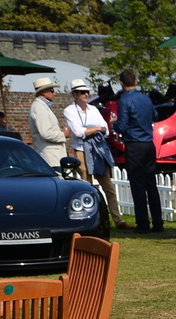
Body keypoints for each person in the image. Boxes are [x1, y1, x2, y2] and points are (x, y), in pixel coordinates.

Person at [64, 79, 124, 229]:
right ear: (74, 94)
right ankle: (90, 222)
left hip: (97, 151)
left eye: (87, 92)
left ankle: (118, 220)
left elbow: (106, 130)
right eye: (82, 92)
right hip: (82, 151)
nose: (86, 94)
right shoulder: (69, 111)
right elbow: (78, 132)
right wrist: (96, 128)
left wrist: (93, 129)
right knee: (86, 187)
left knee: (108, 187)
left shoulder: (93, 109)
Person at [114, 68, 163, 233]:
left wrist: (113, 122)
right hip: (148, 144)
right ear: (135, 82)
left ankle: (143, 224)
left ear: (122, 84)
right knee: (151, 184)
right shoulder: (146, 99)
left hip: (134, 144)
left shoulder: (124, 100)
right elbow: (155, 116)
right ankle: (158, 223)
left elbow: (121, 126)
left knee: (137, 185)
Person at [28, 75, 68, 166]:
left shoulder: (42, 106)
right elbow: (46, 133)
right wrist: (64, 134)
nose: (54, 93)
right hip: (50, 158)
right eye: (52, 90)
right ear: (44, 92)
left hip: (53, 157)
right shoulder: (39, 108)